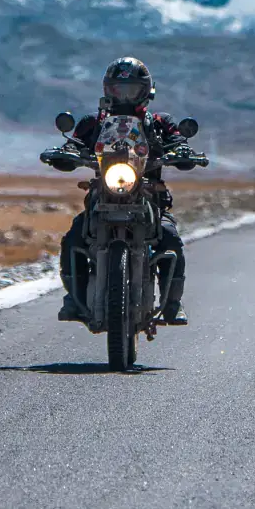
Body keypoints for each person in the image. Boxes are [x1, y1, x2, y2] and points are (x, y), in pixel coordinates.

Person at [45, 57, 196, 325]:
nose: (124, 96)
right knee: (74, 238)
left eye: (131, 90)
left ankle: (172, 303)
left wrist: (182, 151)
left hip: (149, 197)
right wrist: (66, 152)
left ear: (146, 91)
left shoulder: (159, 122)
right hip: (103, 195)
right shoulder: (93, 122)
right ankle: (75, 299)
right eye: (119, 89)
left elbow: (176, 141)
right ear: (108, 90)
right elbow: (75, 144)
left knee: (170, 237)